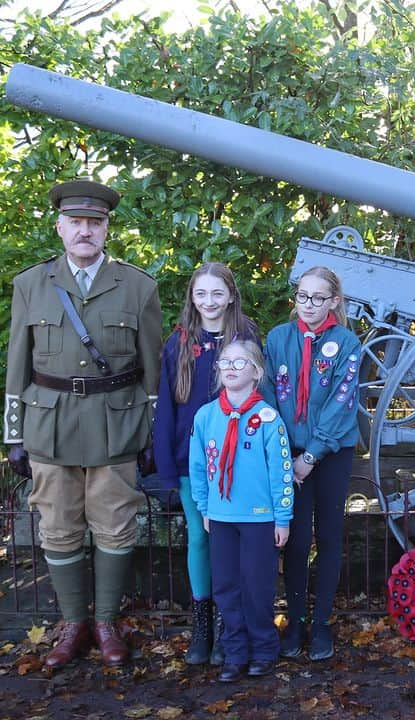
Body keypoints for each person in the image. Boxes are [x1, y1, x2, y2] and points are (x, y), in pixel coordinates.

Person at [3, 179, 162, 669]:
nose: (85, 231)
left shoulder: (138, 286)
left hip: (116, 424)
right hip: (48, 424)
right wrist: (14, 433)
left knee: (116, 525)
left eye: (95, 222)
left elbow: (151, 365)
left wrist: (152, 433)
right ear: (60, 227)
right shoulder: (31, 284)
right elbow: (17, 362)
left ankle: (107, 621)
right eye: (76, 222)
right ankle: (74, 623)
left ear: (107, 228)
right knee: (57, 526)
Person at [152, 263, 259, 666]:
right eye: (201, 294)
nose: (209, 302)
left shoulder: (245, 337)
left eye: (217, 294)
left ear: (230, 295)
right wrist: (165, 467)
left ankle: (233, 624)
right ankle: (203, 622)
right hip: (190, 459)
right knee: (200, 536)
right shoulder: (178, 343)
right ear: (192, 298)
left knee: (230, 541)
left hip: (239, 459)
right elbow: (166, 407)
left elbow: (260, 398)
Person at [263, 267, 360, 662]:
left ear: (334, 301)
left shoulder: (347, 342)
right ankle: (296, 620)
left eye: (319, 298)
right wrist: (287, 453)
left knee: (330, 535)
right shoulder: (278, 338)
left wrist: (311, 455)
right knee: (297, 540)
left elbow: (342, 402)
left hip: (331, 453)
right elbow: (268, 395)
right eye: (303, 296)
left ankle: (321, 624)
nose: (309, 305)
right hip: (290, 453)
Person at [188, 339, 292, 681]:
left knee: (257, 586)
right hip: (220, 517)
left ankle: (263, 648)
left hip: (259, 519)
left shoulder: (268, 418)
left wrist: (282, 517)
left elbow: (281, 471)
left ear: (256, 372)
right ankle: (235, 652)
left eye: (240, 362)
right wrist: (204, 508)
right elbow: (199, 467)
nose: (230, 368)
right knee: (226, 586)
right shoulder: (206, 416)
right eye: (225, 362)